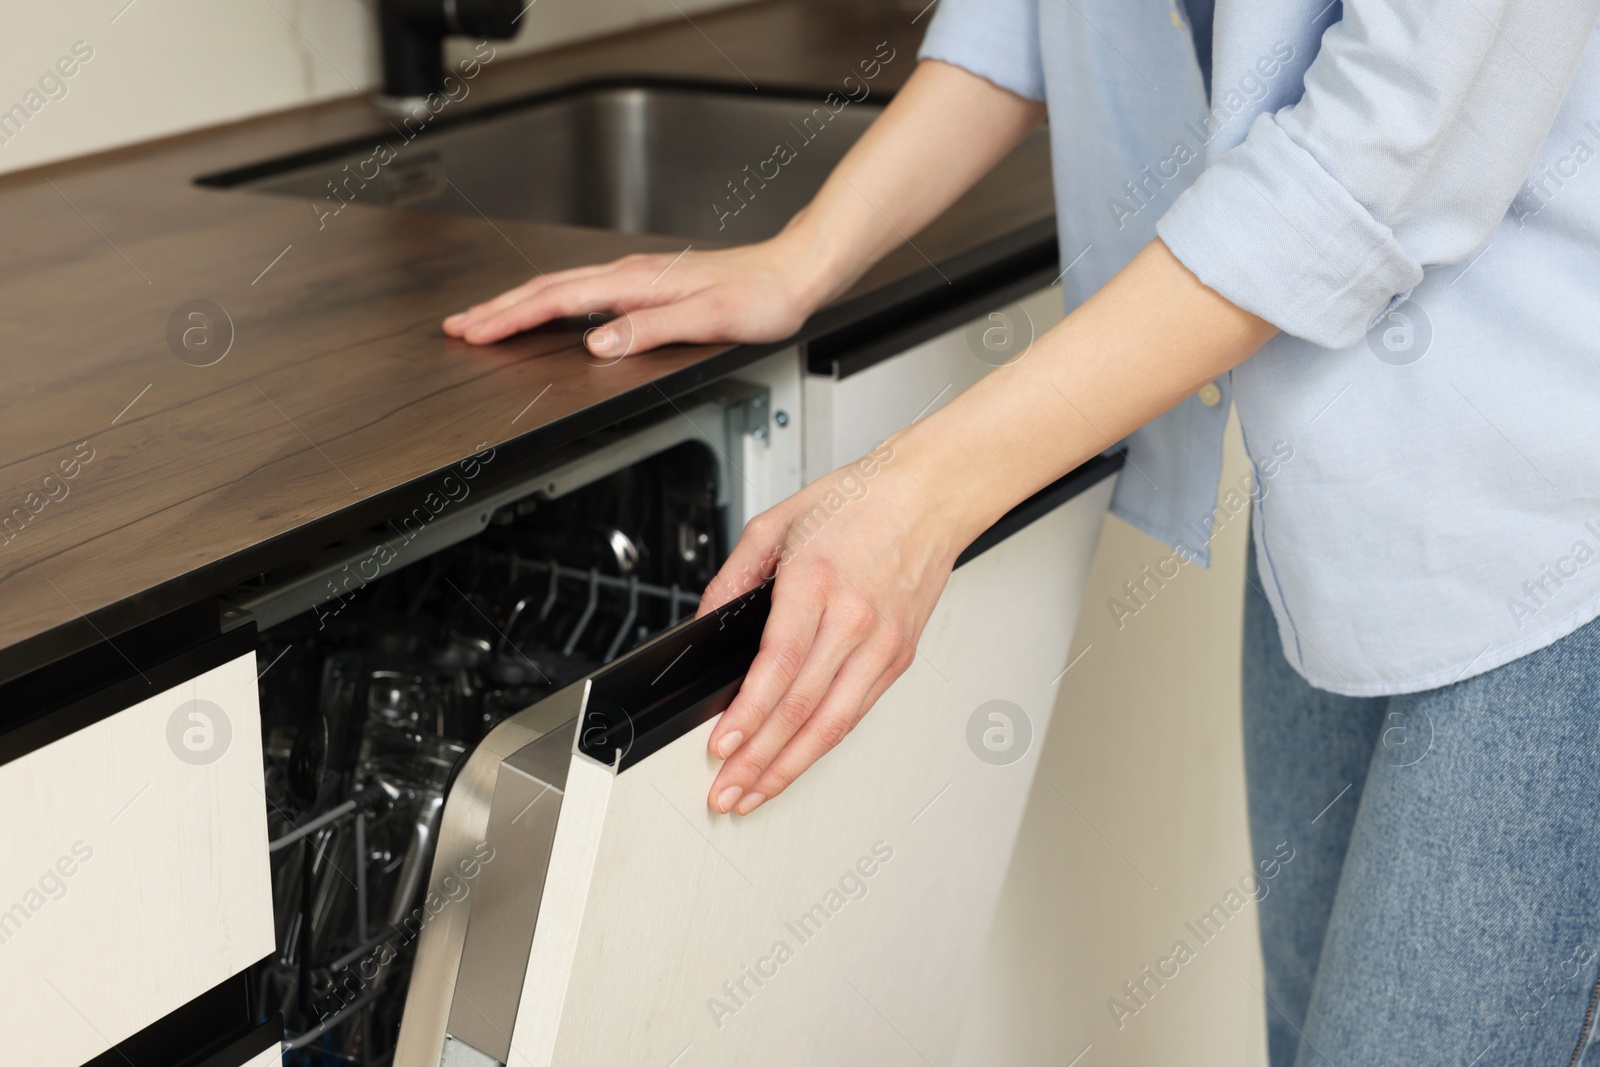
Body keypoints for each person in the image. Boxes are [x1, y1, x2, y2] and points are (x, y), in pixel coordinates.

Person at [445, 0, 1600, 1062]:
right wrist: (805, 254)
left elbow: (1381, 148)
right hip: (1340, 509)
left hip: (1557, 517)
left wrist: (923, 492)